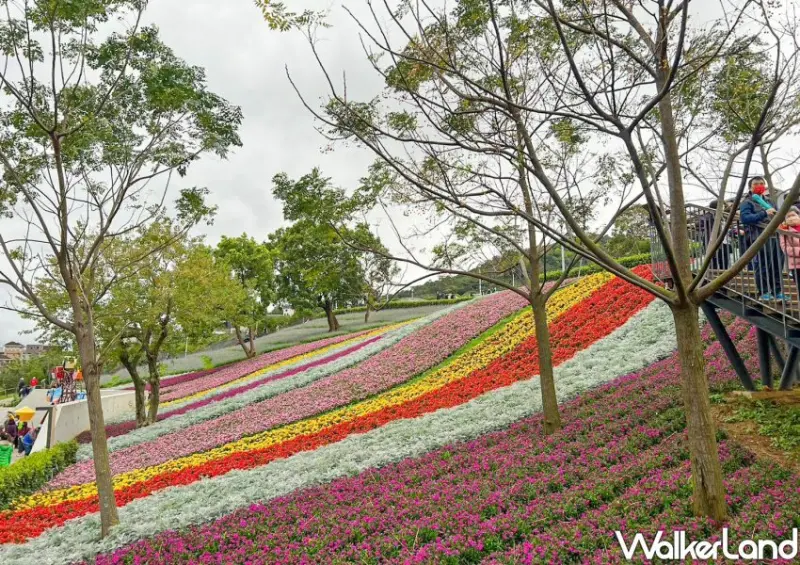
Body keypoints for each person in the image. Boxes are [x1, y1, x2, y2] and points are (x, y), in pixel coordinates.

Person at [740, 177, 786, 301]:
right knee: (763, 265)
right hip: (759, 237)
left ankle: (777, 291)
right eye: (756, 184)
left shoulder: (770, 201)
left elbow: (778, 216)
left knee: (777, 265)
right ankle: (764, 291)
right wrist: (764, 213)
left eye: (762, 183)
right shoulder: (747, 202)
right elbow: (745, 219)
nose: (759, 185)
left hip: (775, 237)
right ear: (750, 187)